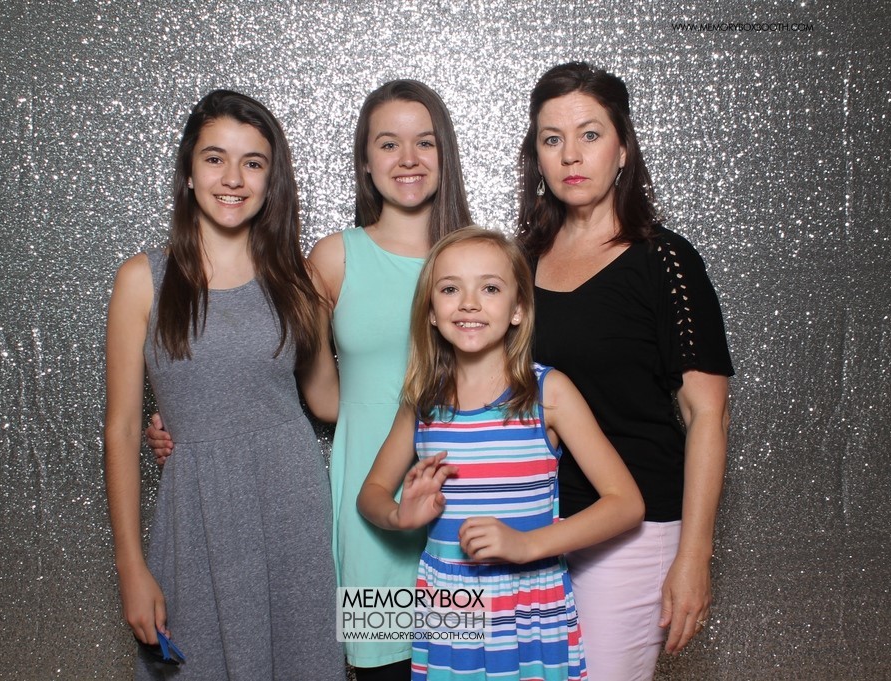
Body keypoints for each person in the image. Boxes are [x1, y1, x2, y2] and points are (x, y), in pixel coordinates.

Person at [147, 79, 472, 680]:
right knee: (382, 667)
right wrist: (187, 412)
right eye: (388, 144)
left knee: (469, 657)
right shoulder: (331, 259)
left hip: (469, 488)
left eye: (424, 142)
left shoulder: (482, 257)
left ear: (444, 153)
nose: (407, 158)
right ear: (365, 161)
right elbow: (314, 391)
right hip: (370, 503)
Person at [104, 89, 343, 680]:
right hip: (198, 515)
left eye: (252, 162)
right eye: (215, 158)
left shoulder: (299, 279)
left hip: (292, 506)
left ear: (270, 180)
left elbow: (327, 401)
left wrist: (434, 402)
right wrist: (130, 567)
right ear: (189, 171)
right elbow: (123, 429)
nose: (233, 178)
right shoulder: (143, 279)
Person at [518, 62, 734, 680]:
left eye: (590, 134)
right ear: (537, 156)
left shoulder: (665, 261)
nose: (570, 154)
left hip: (636, 534)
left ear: (623, 149)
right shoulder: (519, 262)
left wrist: (694, 556)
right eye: (552, 138)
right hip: (536, 525)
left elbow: (708, 414)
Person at [358, 227, 644, 681]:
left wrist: (528, 544)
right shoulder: (422, 402)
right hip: (451, 609)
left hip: (528, 608)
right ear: (430, 311)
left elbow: (626, 504)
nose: (469, 303)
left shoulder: (549, 393)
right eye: (450, 289)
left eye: (489, 288)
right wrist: (399, 516)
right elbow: (371, 493)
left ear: (518, 309)